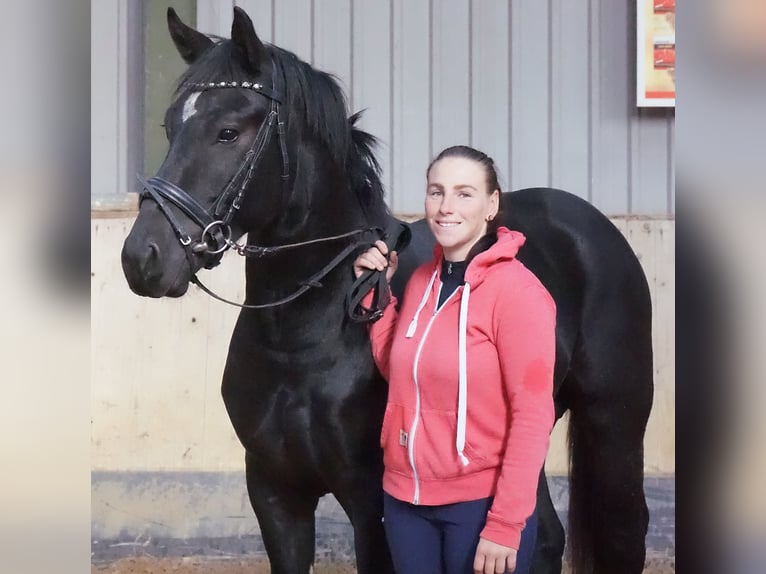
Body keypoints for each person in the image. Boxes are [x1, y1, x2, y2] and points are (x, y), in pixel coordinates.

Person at [353, 146, 556, 574]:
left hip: (478, 506)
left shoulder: (517, 293)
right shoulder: (422, 280)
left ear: (491, 205)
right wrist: (378, 295)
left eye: (464, 194)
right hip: (406, 502)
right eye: (436, 192)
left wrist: (504, 524)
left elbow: (533, 414)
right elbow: (400, 371)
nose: (446, 208)